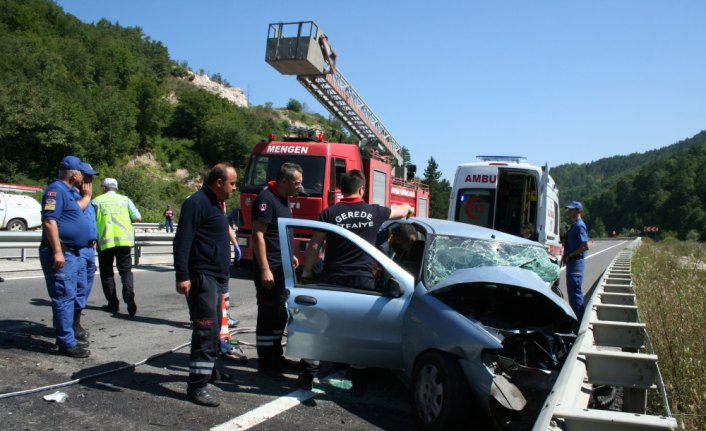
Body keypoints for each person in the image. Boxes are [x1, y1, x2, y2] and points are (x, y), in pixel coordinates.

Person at [299, 169, 412, 393]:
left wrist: (306, 273)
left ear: (341, 190)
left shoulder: (329, 212)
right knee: (360, 331)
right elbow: (402, 211)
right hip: (362, 281)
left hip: (332, 278)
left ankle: (307, 375)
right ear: (362, 189)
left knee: (321, 327)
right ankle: (358, 381)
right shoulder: (374, 212)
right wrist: (409, 209)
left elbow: (314, 245)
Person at [174, 163, 238, 407]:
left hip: (217, 277)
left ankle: (209, 371)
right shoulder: (197, 203)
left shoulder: (216, 203)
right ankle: (197, 386)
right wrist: (182, 275)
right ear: (218, 182)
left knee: (217, 331)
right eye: (232, 183)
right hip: (202, 276)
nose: (235, 188)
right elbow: (182, 240)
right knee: (206, 330)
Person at [39, 156, 95, 358]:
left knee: (73, 294)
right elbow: (49, 222)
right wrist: (57, 251)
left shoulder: (69, 193)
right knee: (64, 297)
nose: (83, 177)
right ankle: (66, 343)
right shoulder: (56, 191)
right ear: (74, 174)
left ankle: (68, 335)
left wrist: (86, 197)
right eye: (81, 173)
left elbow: (73, 213)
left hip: (75, 253)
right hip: (64, 252)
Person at [252, 162, 303, 381]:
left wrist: (289, 253)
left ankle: (276, 356)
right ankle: (266, 363)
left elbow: (278, 232)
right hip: (270, 268)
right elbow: (258, 235)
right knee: (267, 315)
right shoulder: (266, 200)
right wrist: (265, 268)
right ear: (284, 180)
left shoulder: (284, 199)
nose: (300, 187)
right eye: (297, 183)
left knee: (280, 313)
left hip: (281, 266)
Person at [92, 177, 142, 316]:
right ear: (116, 188)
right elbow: (138, 217)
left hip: (105, 240)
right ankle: (128, 295)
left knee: (107, 273)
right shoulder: (125, 200)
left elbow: (90, 220)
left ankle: (113, 303)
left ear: (103, 188)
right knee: (126, 271)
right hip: (124, 240)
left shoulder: (96, 201)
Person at [73, 162, 100, 345]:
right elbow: (72, 215)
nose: (90, 180)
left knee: (85, 287)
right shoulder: (73, 196)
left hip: (90, 249)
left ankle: (76, 321)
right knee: (77, 287)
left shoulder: (87, 198)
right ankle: (73, 324)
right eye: (87, 176)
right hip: (78, 249)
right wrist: (86, 197)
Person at [562, 201, 589, 318]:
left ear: (579, 211)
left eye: (572, 209)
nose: (569, 211)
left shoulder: (579, 226)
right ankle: (576, 320)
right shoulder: (574, 225)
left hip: (576, 263)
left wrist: (570, 255)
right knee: (572, 295)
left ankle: (579, 322)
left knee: (575, 294)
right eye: (569, 209)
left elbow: (584, 246)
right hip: (572, 263)